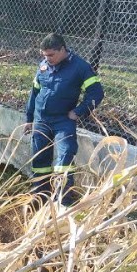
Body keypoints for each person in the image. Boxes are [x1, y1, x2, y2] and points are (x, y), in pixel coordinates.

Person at [24, 33, 104, 206]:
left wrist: (79, 111)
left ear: (62, 49)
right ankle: (40, 197)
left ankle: (63, 200)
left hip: (63, 121)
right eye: (44, 56)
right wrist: (29, 118)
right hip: (41, 119)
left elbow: (96, 93)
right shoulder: (43, 66)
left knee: (65, 157)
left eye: (51, 55)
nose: (47, 59)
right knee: (40, 161)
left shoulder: (80, 67)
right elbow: (34, 93)